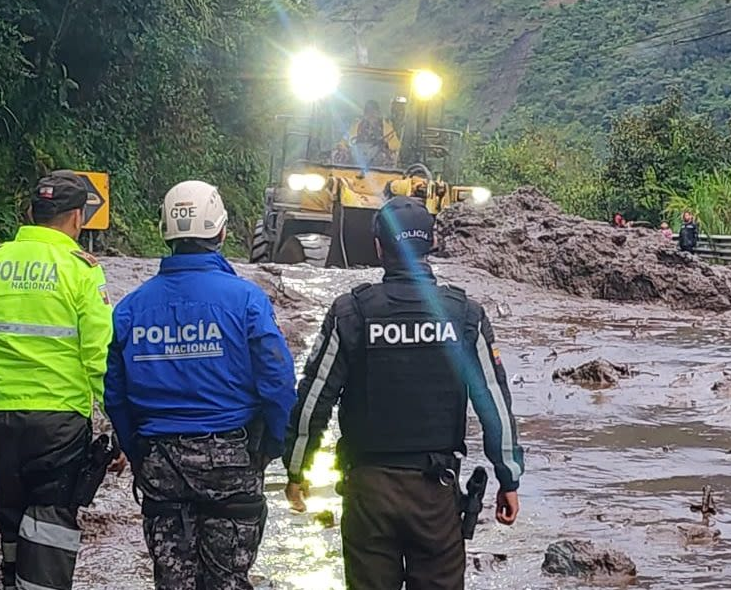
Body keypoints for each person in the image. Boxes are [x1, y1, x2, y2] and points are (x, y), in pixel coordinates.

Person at [283, 194, 524, 590]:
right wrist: (508, 477)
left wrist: (297, 468)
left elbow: (314, 398)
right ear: (429, 245)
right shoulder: (464, 315)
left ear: (379, 247)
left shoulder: (352, 312)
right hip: (436, 491)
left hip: (368, 493)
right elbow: (493, 403)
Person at [104, 181, 297, 590]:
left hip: (161, 465)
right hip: (232, 461)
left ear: (164, 232)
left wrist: (138, 451)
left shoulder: (130, 309)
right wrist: (273, 445)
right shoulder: (247, 300)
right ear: (222, 232)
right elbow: (278, 380)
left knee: (172, 580)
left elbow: (115, 396)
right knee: (229, 579)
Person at [0, 171, 116, 590]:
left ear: (30, 212)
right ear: (77, 219)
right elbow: (99, 357)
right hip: (57, 429)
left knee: (8, 523)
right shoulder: (81, 271)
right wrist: (121, 426)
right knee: (48, 531)